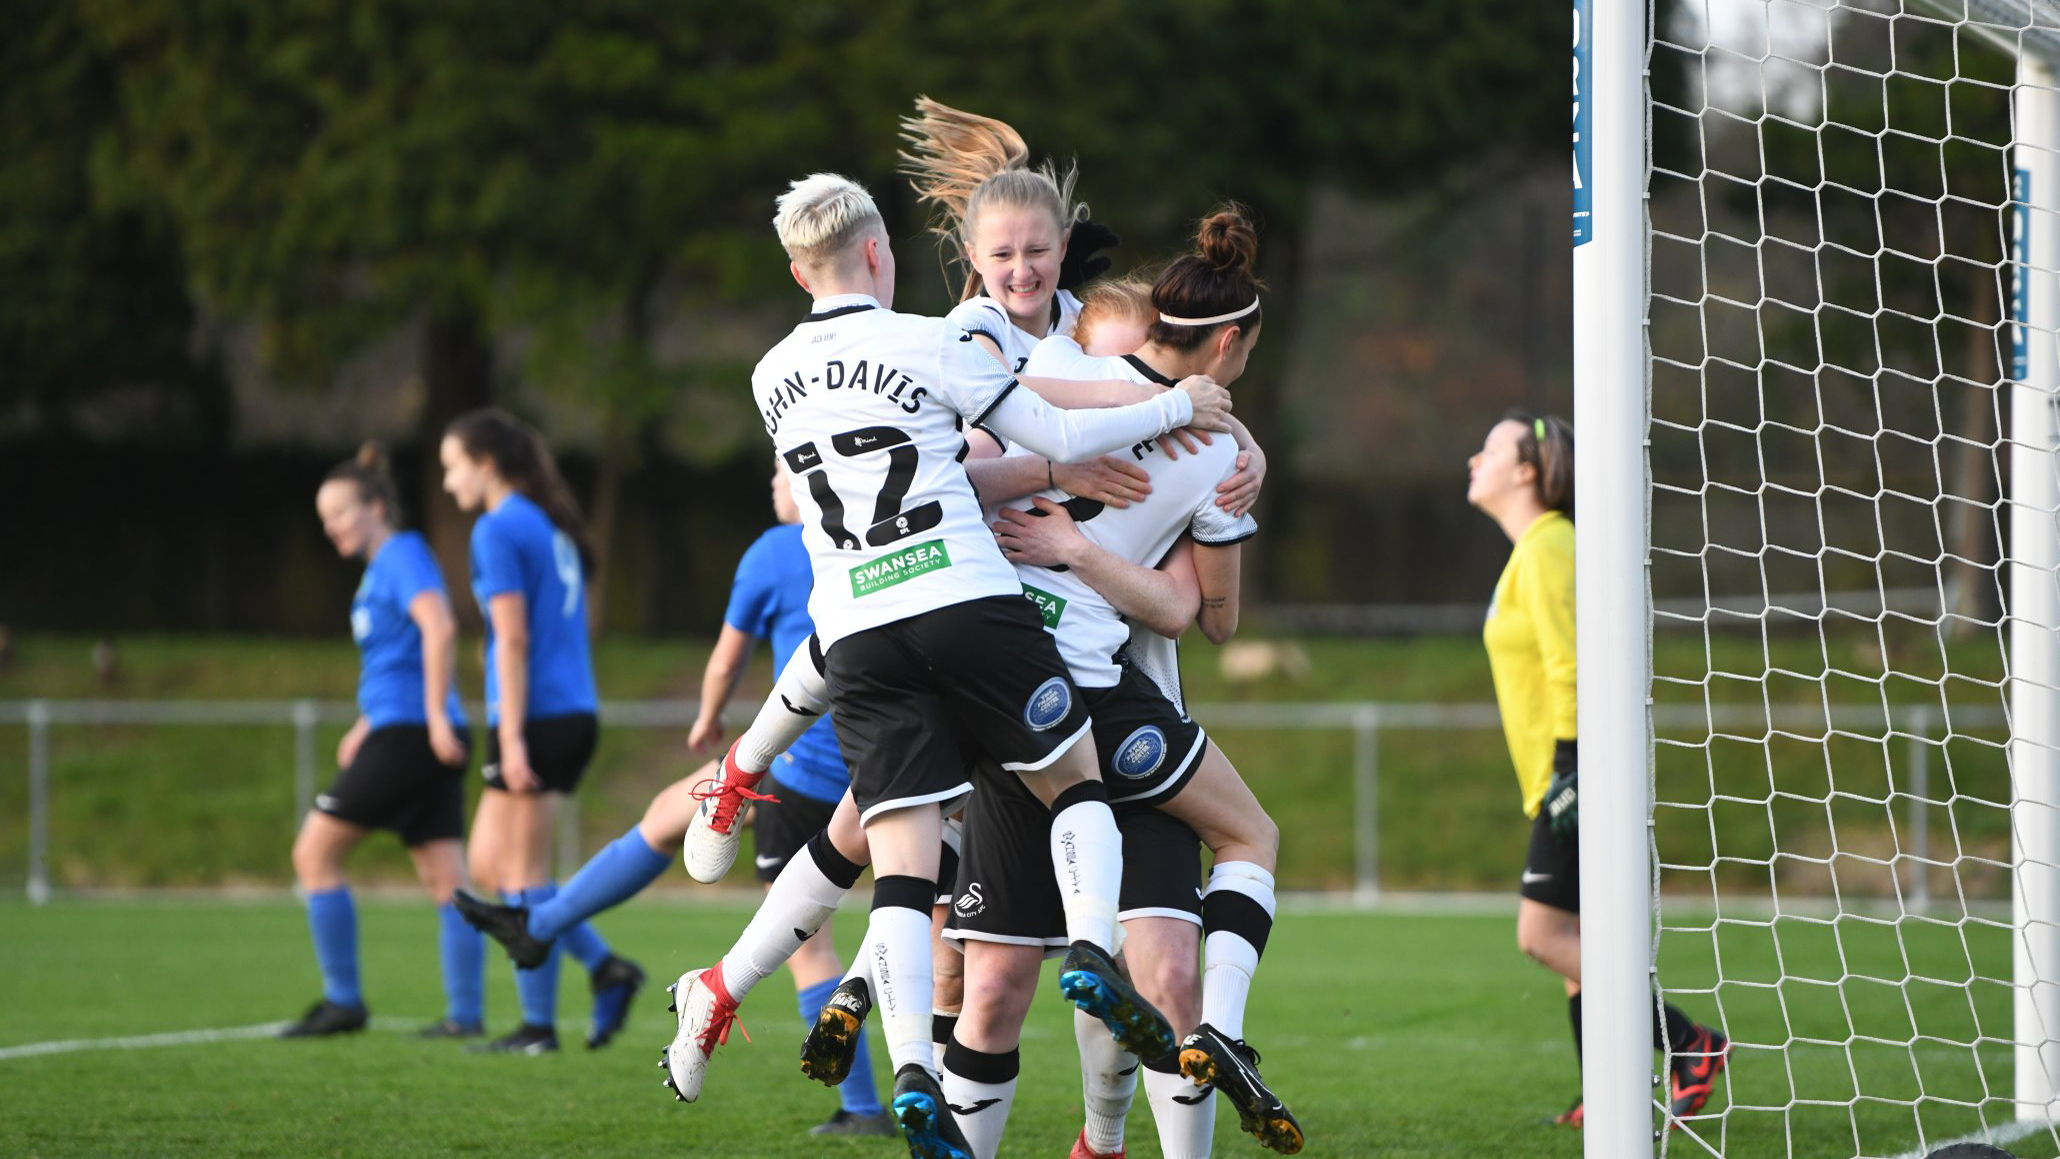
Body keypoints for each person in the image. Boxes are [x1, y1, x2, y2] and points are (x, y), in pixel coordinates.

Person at [674, 170, 1228, 1159]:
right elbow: (1042, 428)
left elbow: (1023, 415)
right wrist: (1163, 409)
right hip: (959, 601)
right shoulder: (942, 338)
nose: (1020, 267)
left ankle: (805, 1009)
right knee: (1056, 797)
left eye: (1036, 251)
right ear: (902, 254)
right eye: (1001, 253)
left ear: (799, 270)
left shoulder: (770, 372)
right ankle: (1079, 962)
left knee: (882, 856)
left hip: (862, 622)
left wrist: (1206, 437)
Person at [937, 207, 1296, 1159]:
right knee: (1249, 833)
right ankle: (1220, 1025)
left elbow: (986, 394)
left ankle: (1102, 1125)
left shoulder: (1065, 374)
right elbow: (1208, 618)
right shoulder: (1219, 451)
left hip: (995, 677)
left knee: (1008, 981)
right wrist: (1230, 475)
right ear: (1228, 342)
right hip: (1091, 690)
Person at [1467, 410, 1729, 1127]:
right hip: (1563, 774)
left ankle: (1689, 1043)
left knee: (1543, 936)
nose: (1473, 460)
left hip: (1577, 772)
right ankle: (1612, 1090)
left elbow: (1573, 664)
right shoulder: (1534, 548)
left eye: (1489, 449)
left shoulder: (1550, 545)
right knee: (1578, 939)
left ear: (1527, 471)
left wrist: (1571, 768)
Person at [683, 459, 894, 1136]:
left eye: (780, 468)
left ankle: (861, 1106)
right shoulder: (885, 534)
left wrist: (707, 718)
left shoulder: (774, 549)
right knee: (925, 924)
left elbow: (725, 656)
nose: (774, 482)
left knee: (810, 943)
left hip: (803, 772)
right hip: (888, 766)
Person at [440, 407, 643, 1055]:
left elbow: (514, 636)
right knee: (488, 865)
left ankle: (537, 1027)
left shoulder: (499, 527)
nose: (448, 483)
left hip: (537, 718)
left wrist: (512, 738)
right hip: (562, 709)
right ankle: (605, 967)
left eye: (453, 467)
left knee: (521, 871)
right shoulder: (546, 522)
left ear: (487, 464)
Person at [282, 442, 484, 1040]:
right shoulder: (382, 569)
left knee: (313, 855)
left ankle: (344, 1001)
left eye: (341, 514)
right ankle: (465, 1016)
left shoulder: (399, 554)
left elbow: (440, 626)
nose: (333, 529)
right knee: (447, 879)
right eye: (325, 521)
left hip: (413, 734)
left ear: (375, 506)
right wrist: (367, 723)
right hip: (402, 729)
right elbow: (398, 658)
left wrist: (435, 719)